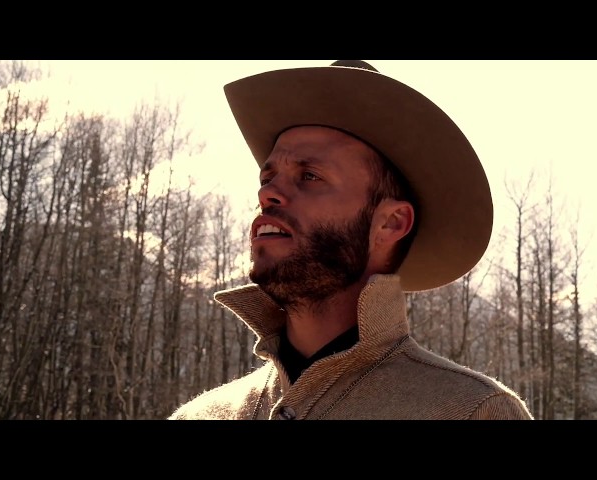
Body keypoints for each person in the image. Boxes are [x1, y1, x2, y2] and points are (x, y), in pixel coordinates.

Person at [169, 60, 534, 420]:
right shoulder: (196, 417)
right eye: (268, 179)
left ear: (390, 223)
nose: (268, 195)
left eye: (309, 176)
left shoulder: (471, 412)